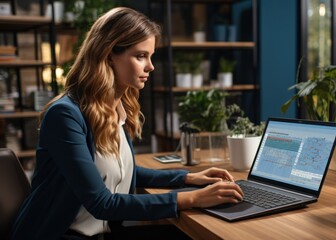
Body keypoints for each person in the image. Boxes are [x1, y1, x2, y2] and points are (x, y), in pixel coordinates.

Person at [9, 7, 243, 240]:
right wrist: (194, 198)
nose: (150, 66)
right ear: (109, 54)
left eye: (150, 56)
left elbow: (124, 171)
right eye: (141, 56)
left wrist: (188, 178)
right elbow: (103, 203)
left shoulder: (116, 109)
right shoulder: (65, 115)